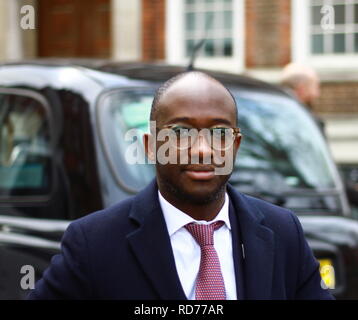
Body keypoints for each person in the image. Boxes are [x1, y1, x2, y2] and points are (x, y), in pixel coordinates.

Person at [27, 71, 333, 300]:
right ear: (150, 145)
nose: (202, 149)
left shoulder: (283, 233)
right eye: (182, 131)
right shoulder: (93, 243)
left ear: (235, 146)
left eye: (219, 133)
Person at [280, 63, 325, 133]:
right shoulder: (305, 121)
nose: (317, 94)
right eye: (315, 87)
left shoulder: (273, 114)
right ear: (302, 89)